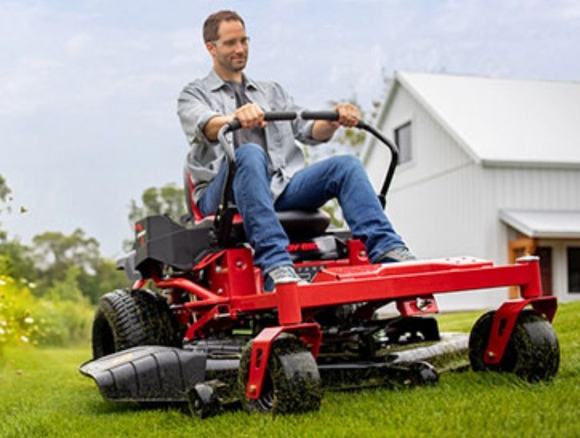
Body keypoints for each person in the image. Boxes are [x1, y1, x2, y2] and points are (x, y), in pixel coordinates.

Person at [177, 10, 415, 292]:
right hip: (222, 197)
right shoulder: (194, 94)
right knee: (250, 153)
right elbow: (207, 126)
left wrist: (333, 120)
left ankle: (388, 249)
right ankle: (276, 265)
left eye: (244, 40)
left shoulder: (272, 92)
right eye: (230, 43)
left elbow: (309, 130)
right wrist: (235, 118)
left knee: (346, 166)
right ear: (211, 48)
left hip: (278, 187)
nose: (240, 49)